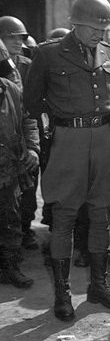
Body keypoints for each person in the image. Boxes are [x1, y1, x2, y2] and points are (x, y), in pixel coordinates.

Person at [24, 0, 110, 321]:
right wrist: (63, 120)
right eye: (95, 27)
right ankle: (63, 293)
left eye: (104, 29)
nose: (101, 34)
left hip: (105, 143)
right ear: (76, 23)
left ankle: (99, 286)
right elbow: (32, 102)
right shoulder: (49, 54)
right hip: (68, 142)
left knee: (101, 215)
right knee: (64, 218)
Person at [0, 41, 39, 288]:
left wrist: (33, 147)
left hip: (7, 171)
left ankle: (10, 268)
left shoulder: (11, 90)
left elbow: (28, 119)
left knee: (10, 221)